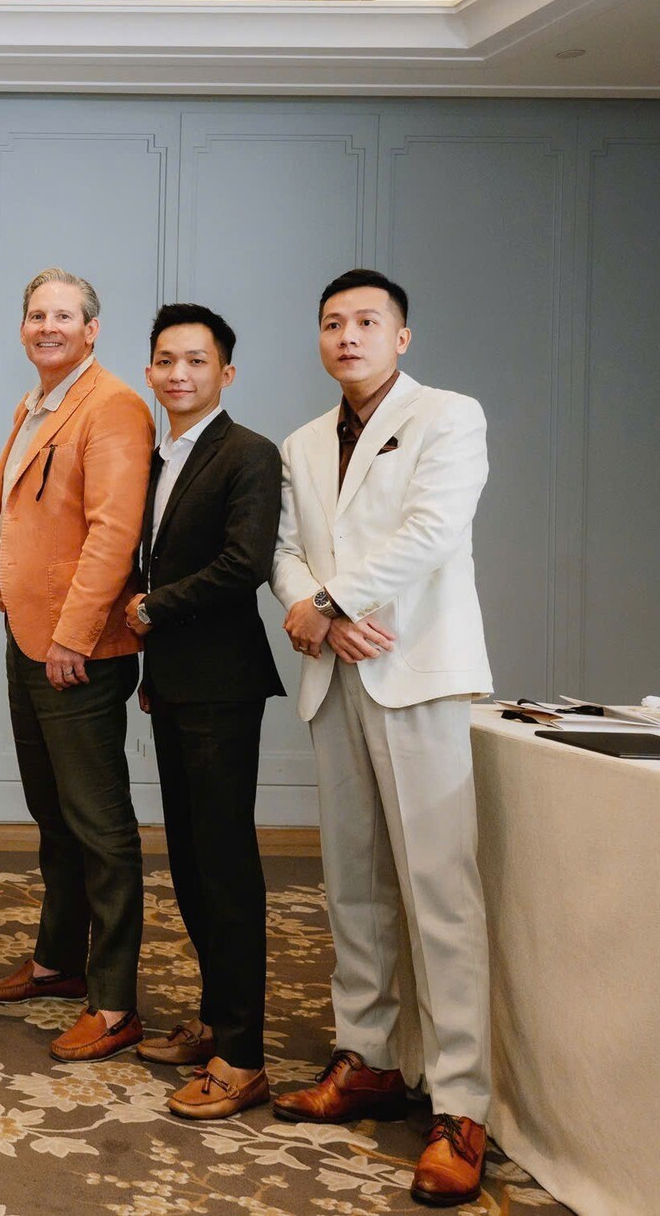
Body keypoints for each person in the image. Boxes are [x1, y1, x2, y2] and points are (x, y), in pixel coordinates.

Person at [270, 268, 494, 1207]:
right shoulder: (302, 441)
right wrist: (315, 614)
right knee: (353, 884)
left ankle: (461, 1103)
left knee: (439, 893)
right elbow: (285, 549)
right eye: (333, 322)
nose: (348, 335)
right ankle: (366, 1057)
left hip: (417, 671)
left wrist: (331, 601)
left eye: (367, 321)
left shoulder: (449, 416)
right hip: (337, 675)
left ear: (401, 336)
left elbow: (432, 531)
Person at [0, 266, 155, 1064]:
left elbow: (114, 532)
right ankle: (58, 961)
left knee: (100, 826)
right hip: (29, 637)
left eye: (63, 315)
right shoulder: (35, 404)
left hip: (76, 651)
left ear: (91, 329)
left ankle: (114, 1002)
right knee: (53, 814)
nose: (47, 326)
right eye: (36, 315)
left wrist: (75, 635)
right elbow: (16, 512)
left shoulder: (112, 405)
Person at [121, 303, 284, 1118]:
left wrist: (153, 608)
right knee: (187, 858)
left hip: (223, 683)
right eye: (165, 360)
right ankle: (217, 1020)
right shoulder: (160, 457)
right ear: (150, 370)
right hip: (176, 683)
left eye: (195, 360)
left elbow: (244, 562)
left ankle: (243, 1056)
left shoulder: (248, 452)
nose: (178, 373)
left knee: (224, 864)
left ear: (226, 371)